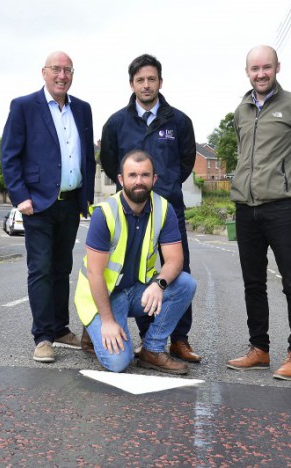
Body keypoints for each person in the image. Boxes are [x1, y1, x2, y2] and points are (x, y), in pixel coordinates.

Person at [226, 45, 291, 380]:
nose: (261, 74)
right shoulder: (241, 109)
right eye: (255, 69)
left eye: (266, 67)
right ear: (247, 72)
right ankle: (259, 349)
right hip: (246, 209)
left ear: (277, 68)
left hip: (282, 208)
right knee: (253, 283)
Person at [99, 54, 200, 363]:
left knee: (178, 270)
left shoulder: (179, 121)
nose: (146, 84)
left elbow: (184, 163)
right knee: (137, 272)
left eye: (151, 79)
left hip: (169, 210)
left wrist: (164, 187)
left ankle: (179, 340)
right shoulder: (116, 122)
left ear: (160, 82)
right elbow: (108, 161)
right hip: (131, 211)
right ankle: (147, 338)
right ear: (132, 83)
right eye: (140, 79)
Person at [1, 51, 95, 363]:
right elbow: (10, 156)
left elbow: (87, 159)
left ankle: (58, 327)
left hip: (69, 204)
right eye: (56, 69)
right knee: (40, 269)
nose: (62, 76)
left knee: (62, 267)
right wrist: (20, 196)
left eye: (68, 70)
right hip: (37, 205)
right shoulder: (24, 106)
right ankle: (42, 336)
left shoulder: (82, 109)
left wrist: (86, 199)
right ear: (44, 72)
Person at [75, 150, 197, 374]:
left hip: (136, 290)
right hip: (103, 294)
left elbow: (175, 259)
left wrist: (159, 284)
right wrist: (108, 322)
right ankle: (93, 325)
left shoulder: (163, 208)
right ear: (121, 180)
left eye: (144, 175)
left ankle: (152, 350)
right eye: (132, 175)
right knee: (119, 362)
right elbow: (95, 273)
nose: (139, 181)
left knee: (185, 284)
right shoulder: (105, 213)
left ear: (154, 179)